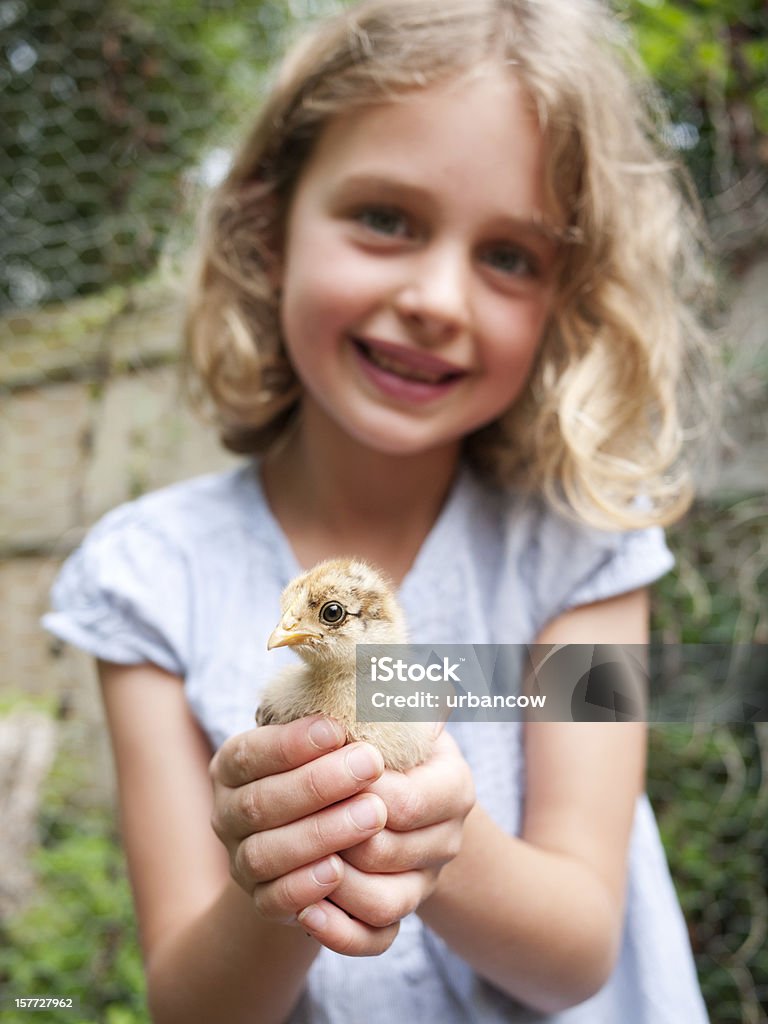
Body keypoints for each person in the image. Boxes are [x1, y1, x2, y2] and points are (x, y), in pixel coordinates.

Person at [43, 0, 713, 1021]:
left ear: (567, 301)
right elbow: (189, 1004)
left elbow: (580, 947)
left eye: (511, 256)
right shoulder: (151, 581)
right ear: (268, 224)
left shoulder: (585, 552)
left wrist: (438, 837)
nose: (439, 297)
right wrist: (282, 867)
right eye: (386, 218)